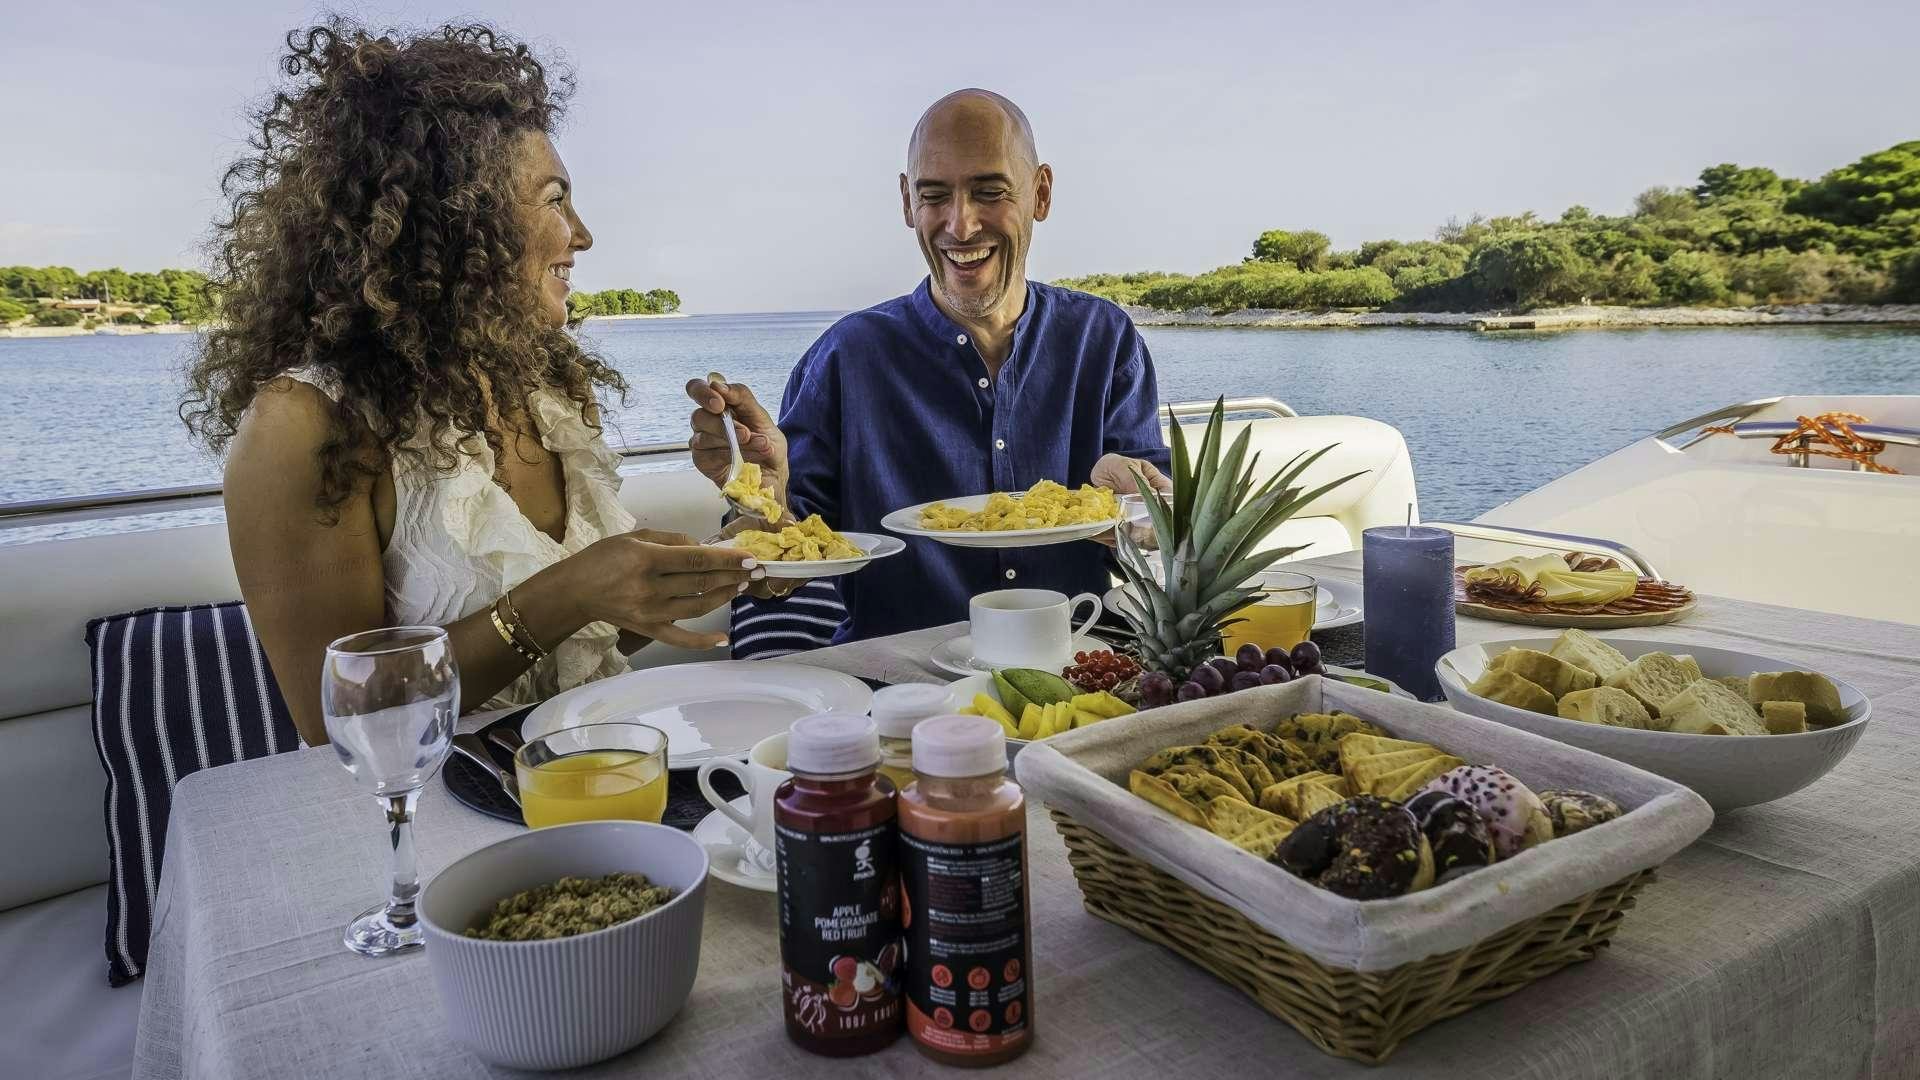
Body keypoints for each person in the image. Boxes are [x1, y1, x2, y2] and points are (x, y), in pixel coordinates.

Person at [183, 21, 758, 746]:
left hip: (604, 780)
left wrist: (750, 533)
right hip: (437, 820)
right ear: (457, 217)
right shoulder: (303, 424)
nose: (581, 234)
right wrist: (568, 591)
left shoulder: (546, 390)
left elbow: (585, 645)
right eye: (554, 199)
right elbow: (340, 721)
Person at [687, 89, 1171, 643]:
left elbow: (1157, 516)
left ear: (1040, 193)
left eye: (990, 192)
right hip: (897, 689)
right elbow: (786, 567)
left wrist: (1139, 506)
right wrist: (763, 500)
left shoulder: (1104, 339)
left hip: (1076, 663)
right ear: (905, 201)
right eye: (934, 195)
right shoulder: (846, 357)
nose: (961, 226)